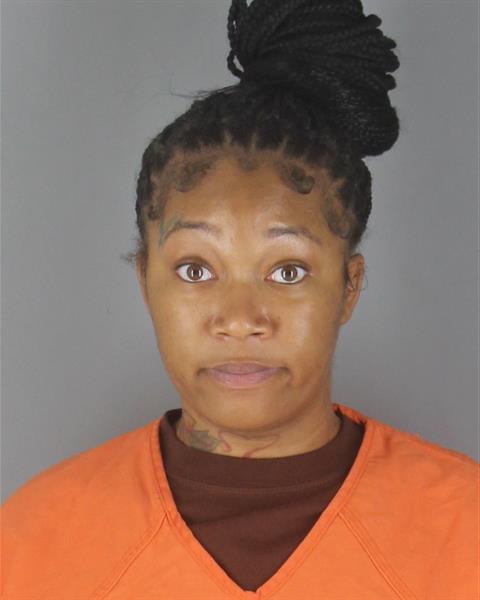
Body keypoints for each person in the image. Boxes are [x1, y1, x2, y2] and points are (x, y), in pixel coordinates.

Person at [2, 0, 478, 598]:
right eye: (196, 269)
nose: (239, 319)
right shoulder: (34, 538)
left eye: (288, 272)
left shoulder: (465, 529)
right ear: (146, 281)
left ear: (348, 287)